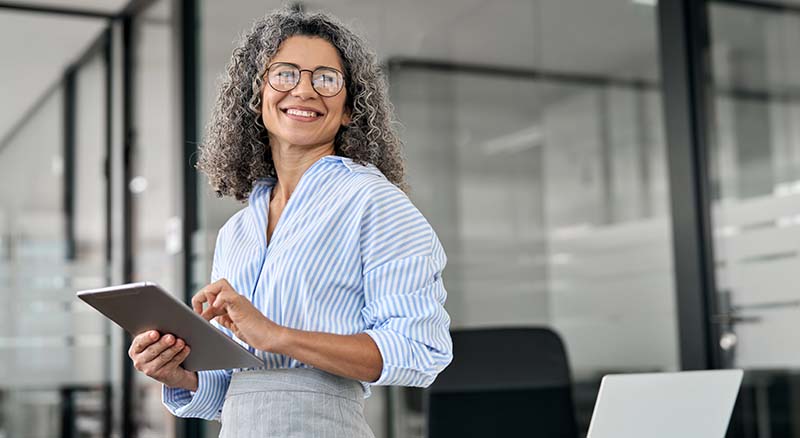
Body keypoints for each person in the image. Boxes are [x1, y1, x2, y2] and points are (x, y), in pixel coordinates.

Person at [126, 6, 453, 437]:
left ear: (351, 108)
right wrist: (180, 374)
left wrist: (277, 335)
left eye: (325, 79)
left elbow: (419, 350)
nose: (303, 90)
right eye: (285, 74)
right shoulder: (237, 233)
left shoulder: (373, 202)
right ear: (256, 97)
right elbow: (242, 387)